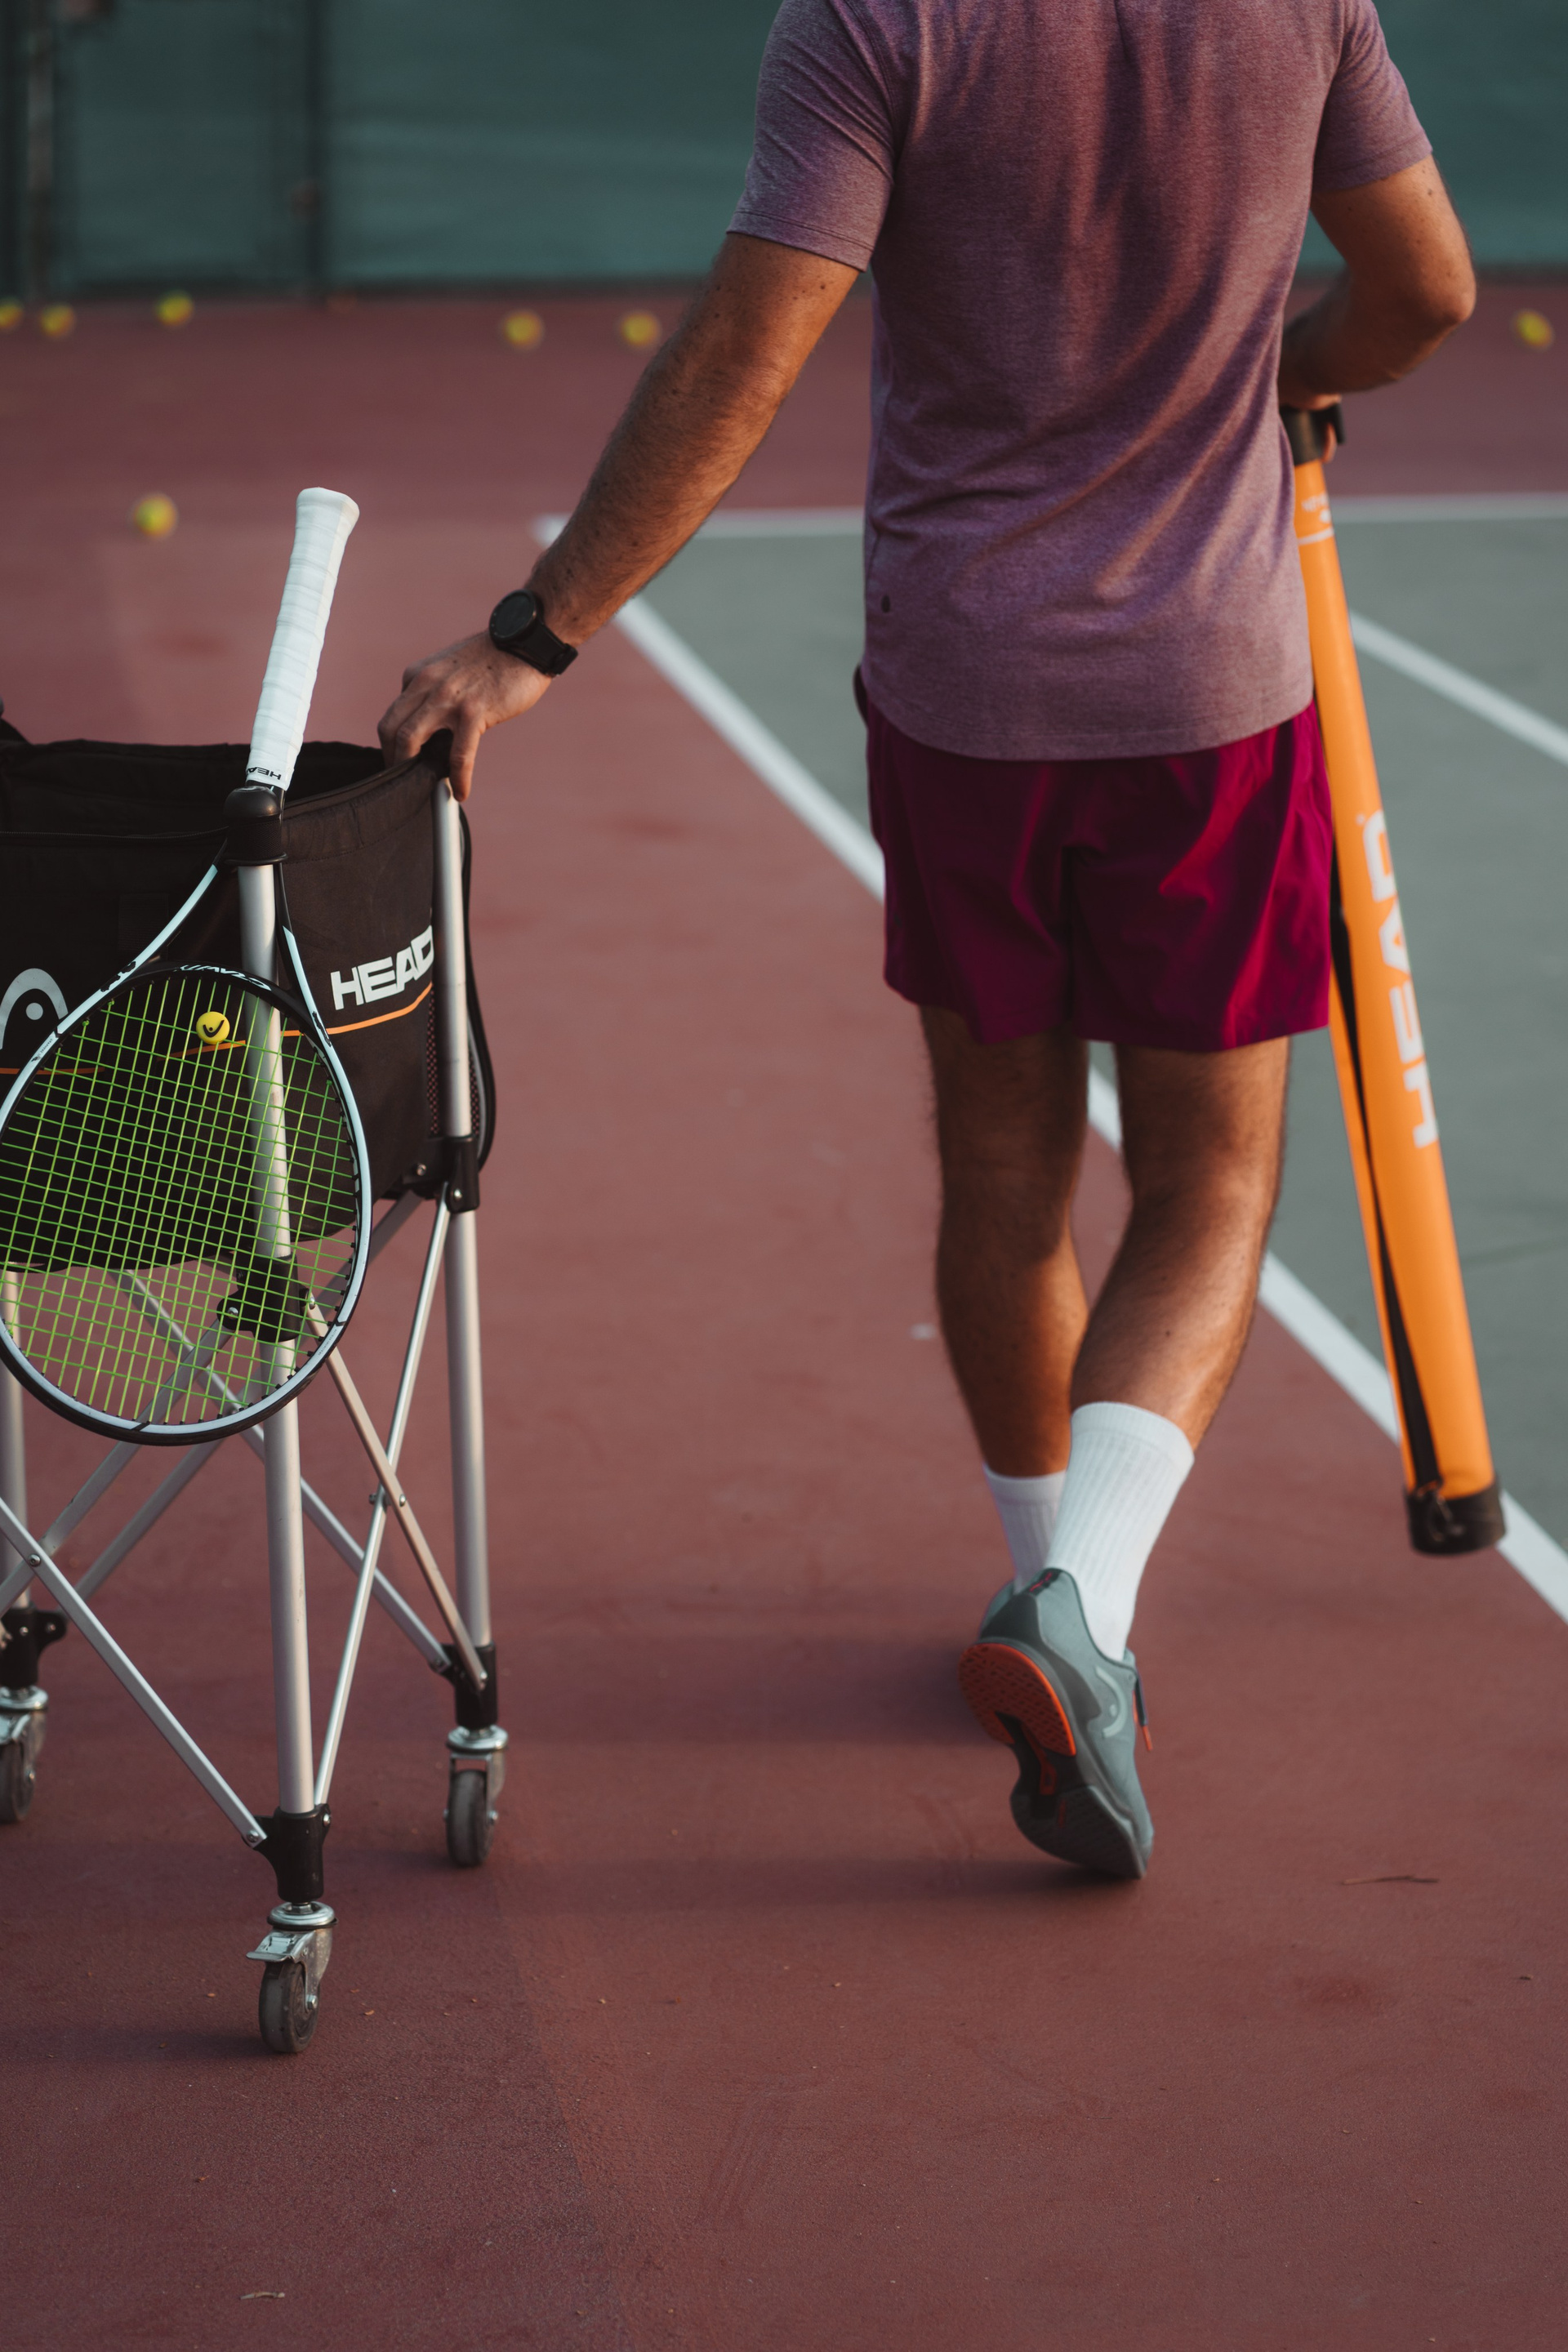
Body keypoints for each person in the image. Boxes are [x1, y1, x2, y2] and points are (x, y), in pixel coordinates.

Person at [380, 0, 1475, 1880]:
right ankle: (1083, 1613)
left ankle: (1061, 1607)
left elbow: (752, 344)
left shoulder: (873, 16)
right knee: (1211, 1186)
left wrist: (535, 634)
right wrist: (1279, 371)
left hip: (968, 697)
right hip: (1210, 700)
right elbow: (1430, 290)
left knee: (1003, 1173)